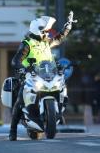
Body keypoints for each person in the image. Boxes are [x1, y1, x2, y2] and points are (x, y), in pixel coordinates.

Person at [8, 11, 76, 141]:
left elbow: (59, 38)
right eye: (45, 31)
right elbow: (16, 61)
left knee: (62, 88)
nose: (47, 33)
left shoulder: (46, 42)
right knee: (20, 100)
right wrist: (23, 70)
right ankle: (13, 130)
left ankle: (59, 113)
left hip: (47, 75)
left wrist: (68, 26)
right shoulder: (27, 44)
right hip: (30, 76)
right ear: (38, 31)